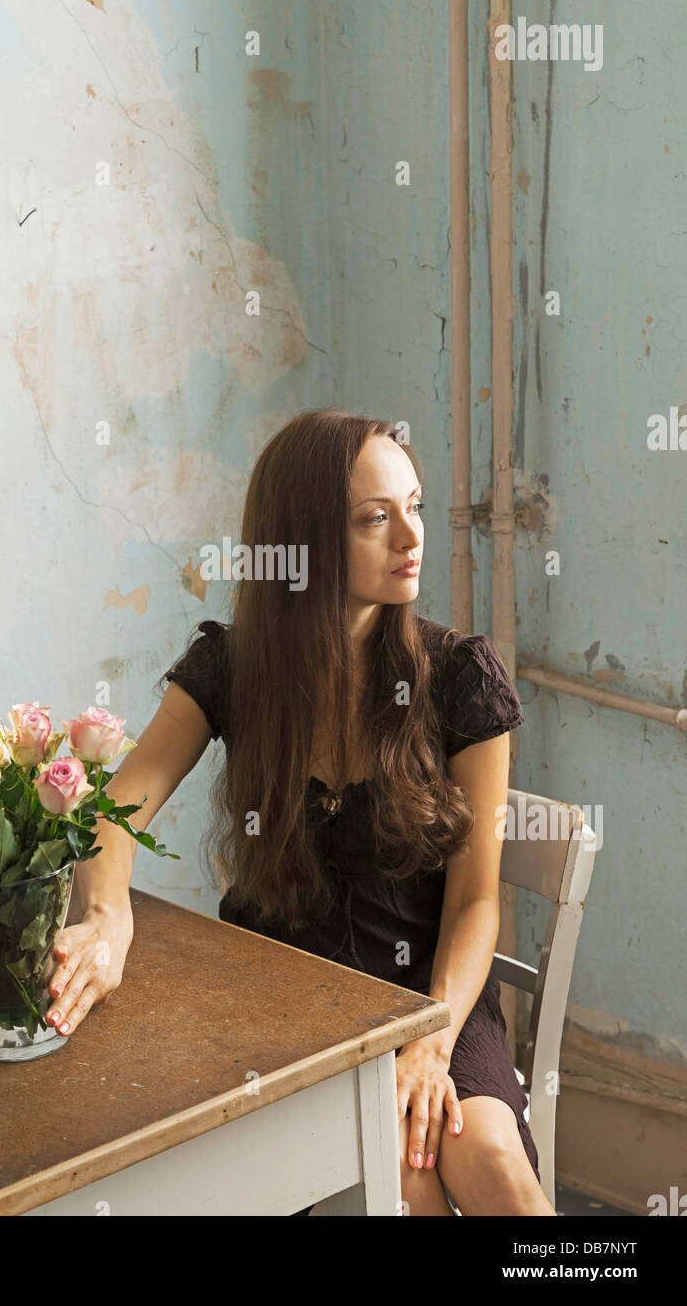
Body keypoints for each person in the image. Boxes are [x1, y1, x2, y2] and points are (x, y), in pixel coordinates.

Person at [45, 408, 556, 1216]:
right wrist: (108, 916)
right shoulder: (232, 666)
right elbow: (113, 807)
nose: (410, 537)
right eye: (374, 519)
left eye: (415, 508)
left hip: (431, 990)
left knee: (485, 1152)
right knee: (405, 1182)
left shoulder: (460, 678)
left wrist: (429, 1038)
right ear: (306, 542)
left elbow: (478, 901)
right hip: (284, 1005)